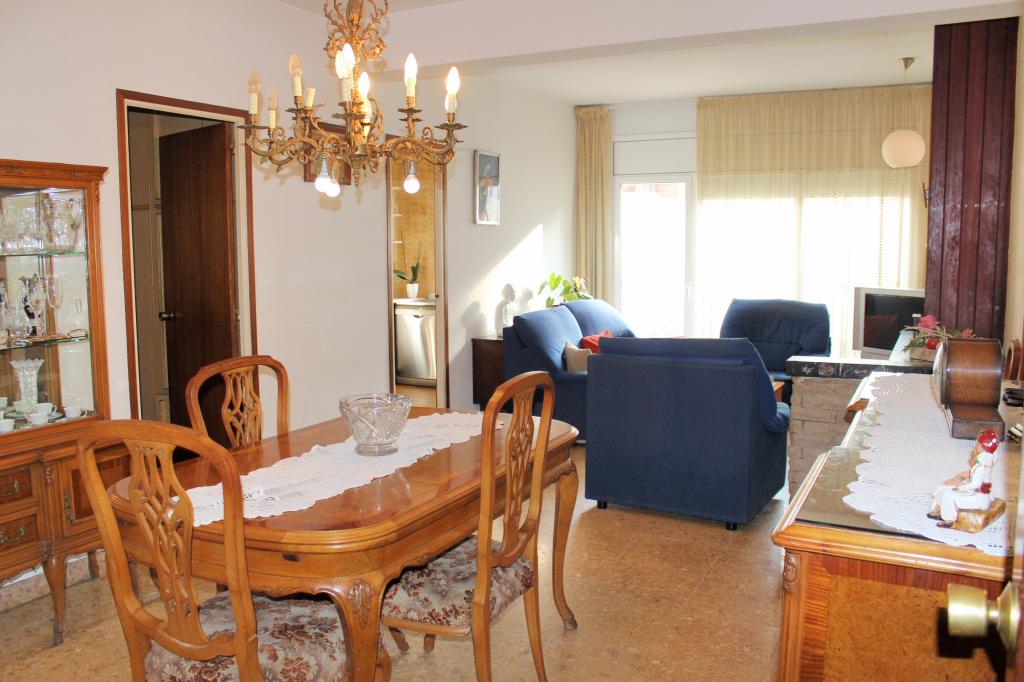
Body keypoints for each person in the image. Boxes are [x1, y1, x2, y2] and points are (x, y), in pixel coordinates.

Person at [928, 429, 1000, 528]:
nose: (977, 446)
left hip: (978, 498)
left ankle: (950, 519)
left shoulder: (981, 465)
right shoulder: (986, 460)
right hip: (979, 495)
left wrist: (960, 488)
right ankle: (940, 509)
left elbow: (975, 484)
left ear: (984, 446)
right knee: (948, 489)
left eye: (979, 444)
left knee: (949, 494)